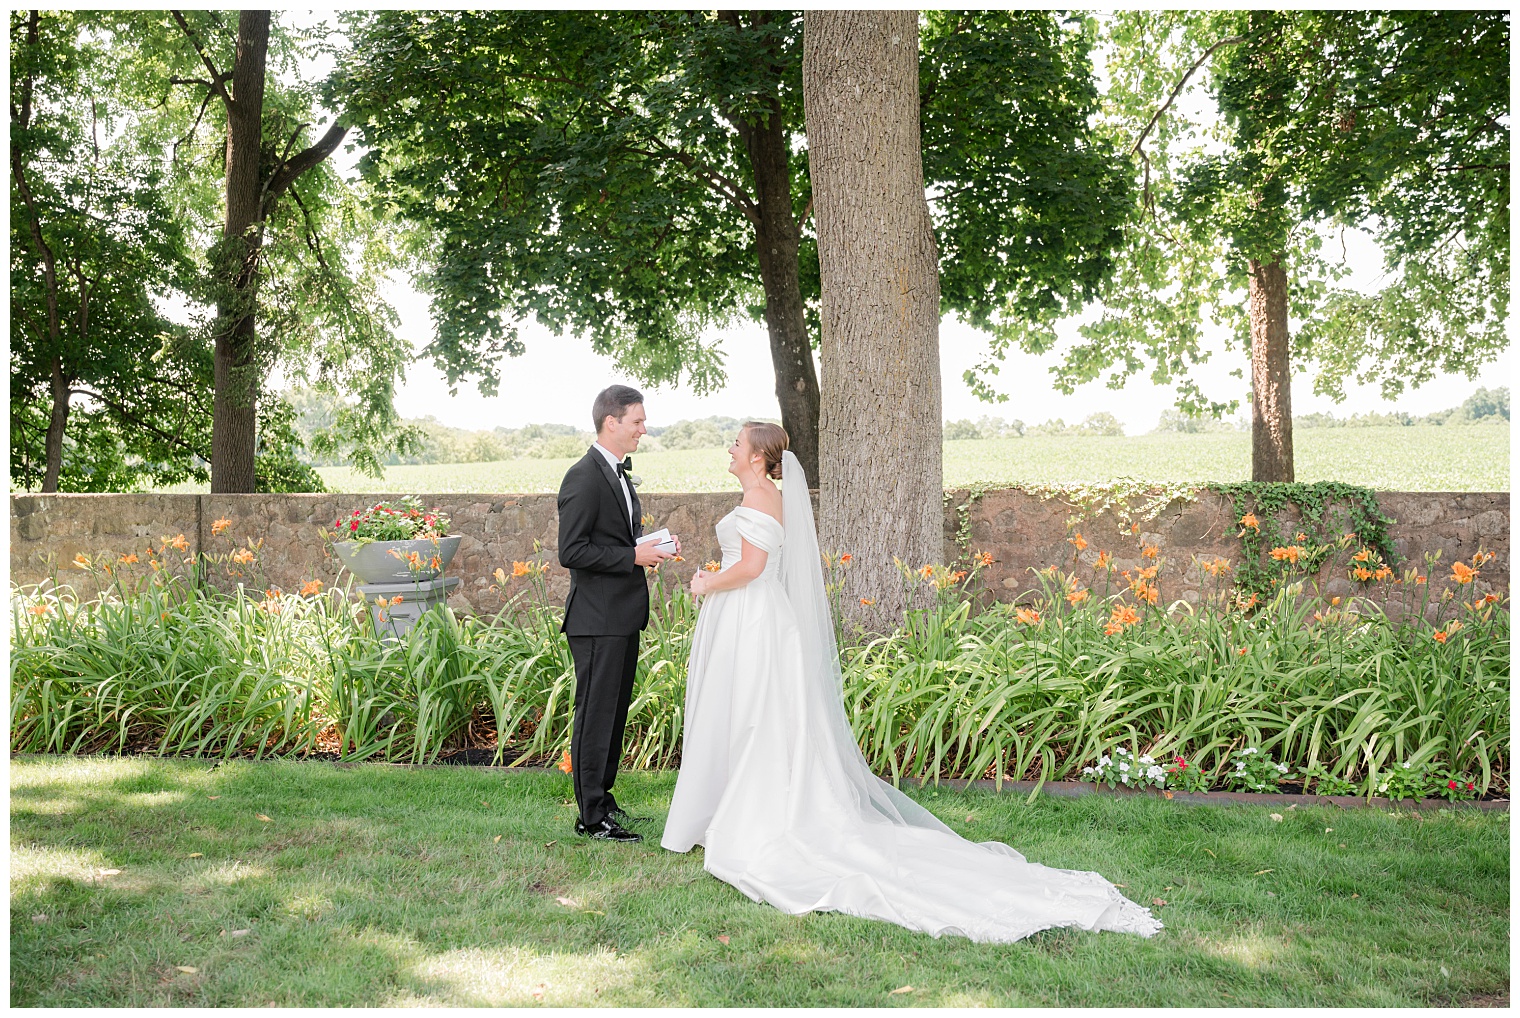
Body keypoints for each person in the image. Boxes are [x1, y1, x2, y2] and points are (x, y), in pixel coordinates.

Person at [660, 422, 1163, 943]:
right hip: (756, 619)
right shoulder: (764, 496)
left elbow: (754, 568)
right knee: (751, 714)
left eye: (737, 443)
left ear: (761, 458)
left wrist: (706, 581)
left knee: (753, 715)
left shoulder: (762, 499)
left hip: (754, 619)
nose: (730, 448)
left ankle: (755, 815)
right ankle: (735, 803)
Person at [556, 385, 676, 843]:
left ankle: (603, 803)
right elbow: (572, 550)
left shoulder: (618, 474)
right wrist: (631, 557)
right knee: (595, 715)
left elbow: (615, 540)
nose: (643, 430)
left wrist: (650, 547)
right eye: (637, 422)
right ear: (612, 422)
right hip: (596, 619)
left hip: (621, 616)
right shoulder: (583, 477)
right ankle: (590, 818)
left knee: (613, 714)